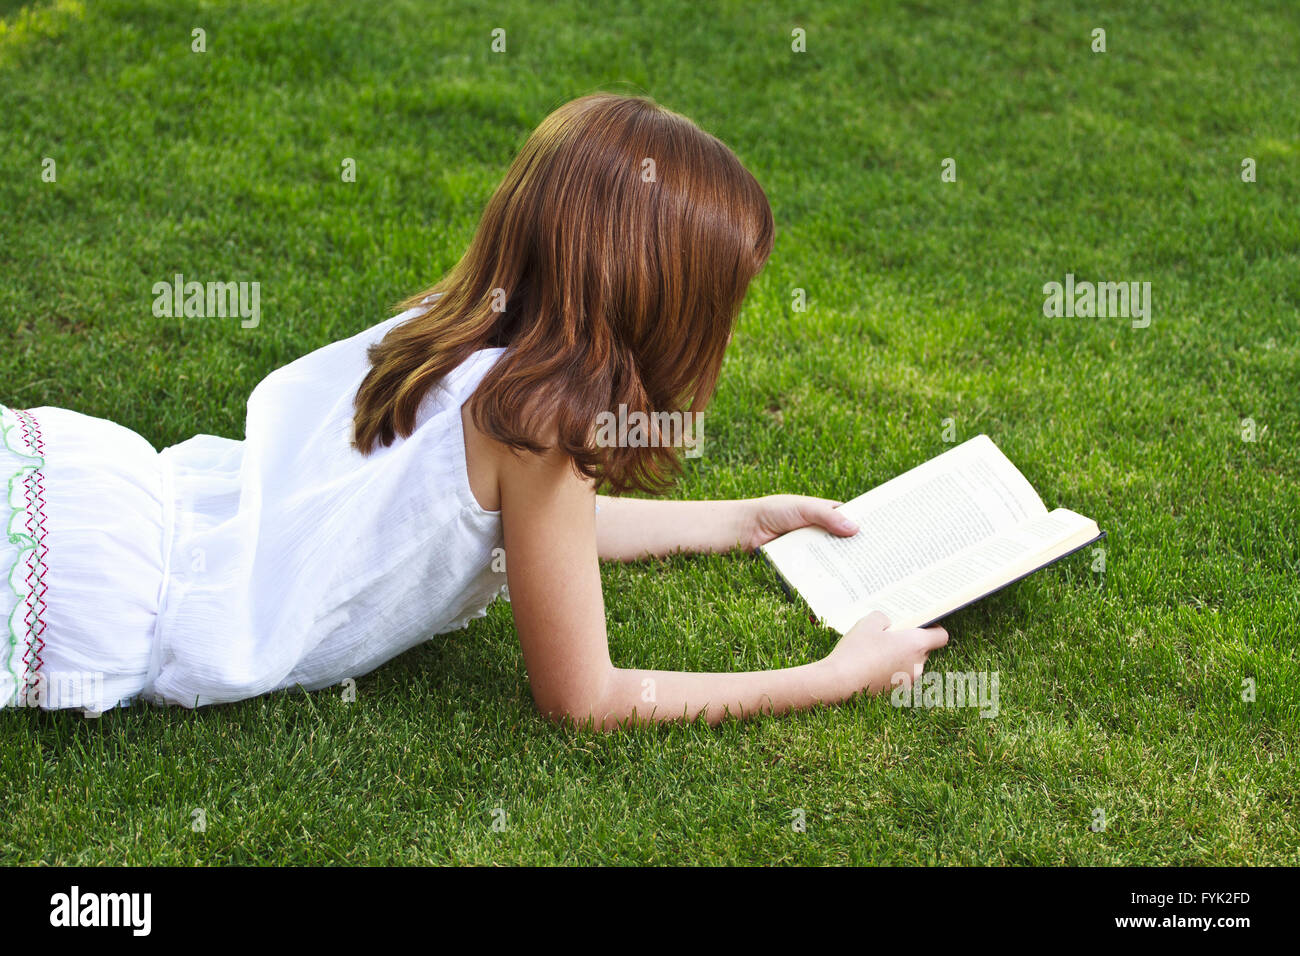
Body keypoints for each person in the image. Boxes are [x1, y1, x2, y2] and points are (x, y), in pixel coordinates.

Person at [1, 93, 946, 726]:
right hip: (115, 597)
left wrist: (742, 520)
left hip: (106, 497)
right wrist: (833, 678)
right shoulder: (535, 431)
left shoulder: (467, 338)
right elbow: (586, 696)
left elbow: (540, 532)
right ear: (661, 303)